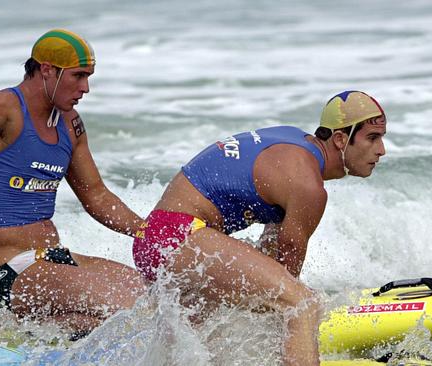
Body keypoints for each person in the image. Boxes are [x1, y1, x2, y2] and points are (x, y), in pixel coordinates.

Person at [133, 90, 387, 365]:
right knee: (303, 304)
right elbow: (289, 279)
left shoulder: (295, 144)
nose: (381, 150)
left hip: (158, 238)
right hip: (179, 235)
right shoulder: (308, 186)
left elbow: (271, 256)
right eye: (372, 138)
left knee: (221, 323)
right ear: (340, 139)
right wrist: (298, 328)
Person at [0, 29, 147, 336]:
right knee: (128, 306)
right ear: (46, 70)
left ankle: (30, 333)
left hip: (57, 259)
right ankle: (28, 327)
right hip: (14, 272)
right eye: (78, 76)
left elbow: (96, 195)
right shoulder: (7, 108)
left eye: (89, 77)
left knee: (155, 296)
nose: (86, 88)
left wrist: (147, 232)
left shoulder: (70, 124)